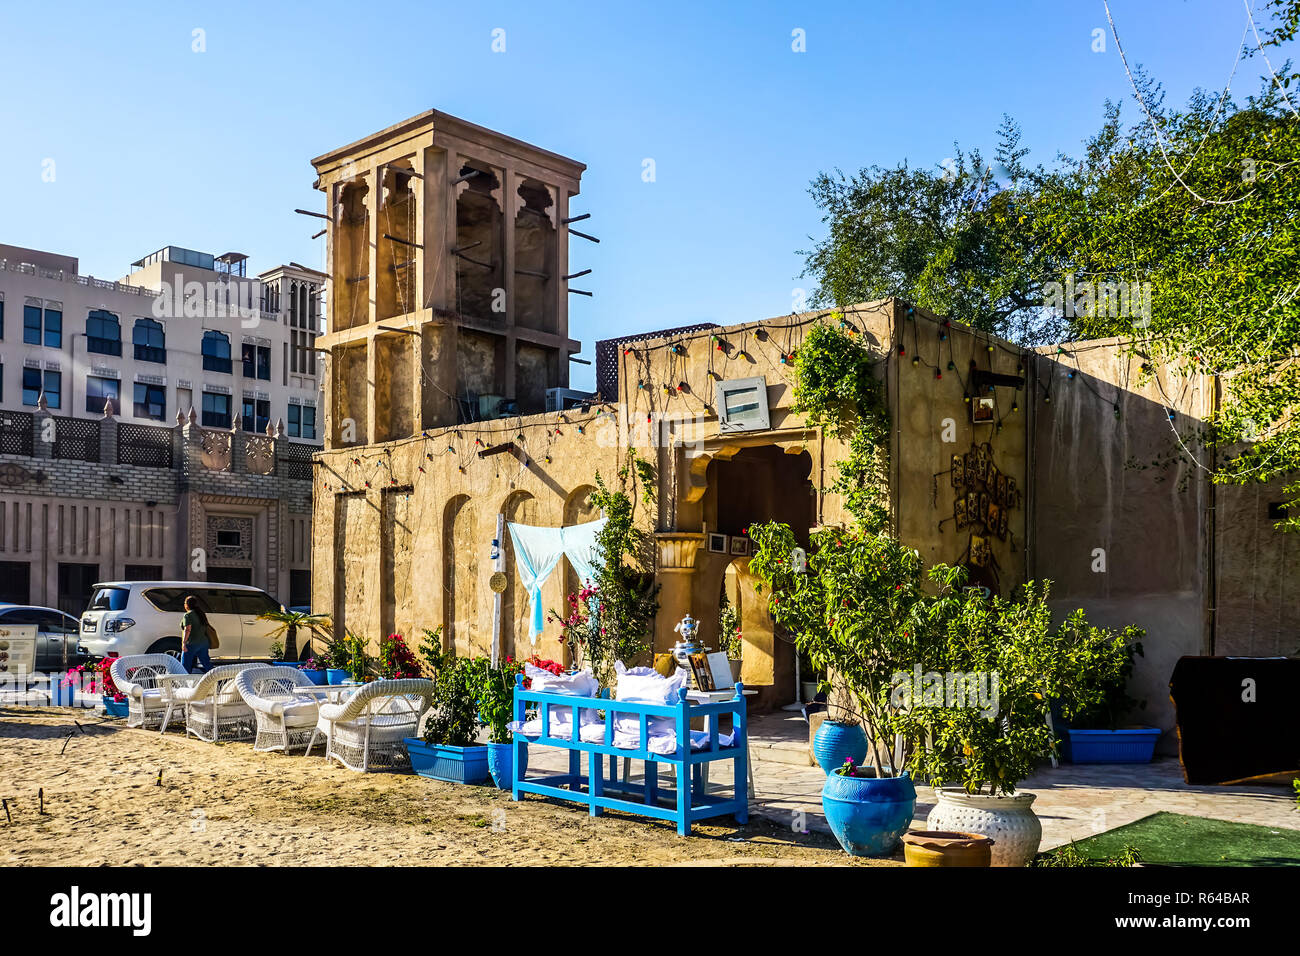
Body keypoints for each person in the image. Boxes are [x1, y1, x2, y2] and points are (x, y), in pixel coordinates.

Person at [180, 596, 213, 674]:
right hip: (203, 643)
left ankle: (184, 683)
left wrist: (184, 643)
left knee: (185, 666)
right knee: (207, 664)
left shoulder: (187, 615)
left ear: (187, 605)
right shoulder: (201, 613)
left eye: (184, 603)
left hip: (191, 643)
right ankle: (217, 680)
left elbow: (187, 630)